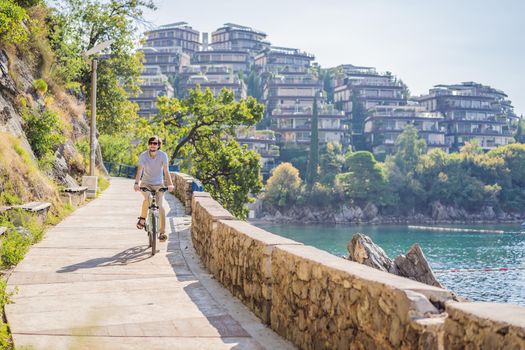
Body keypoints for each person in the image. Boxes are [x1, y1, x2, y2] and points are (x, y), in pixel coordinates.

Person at [134, 136, 174, 242]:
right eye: (151, 143)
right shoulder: (143, 155)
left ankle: (162, 232)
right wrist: (136, 183)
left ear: (158, 145)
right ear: (148, 144)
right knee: (148, 199)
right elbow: (140, 170)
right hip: (146, 183)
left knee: (160, 205)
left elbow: (166, 171)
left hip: (159, 184)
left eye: (155, 143)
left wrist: (170, 184)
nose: (153, 145)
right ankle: (142, 219)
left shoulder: (163, 155)